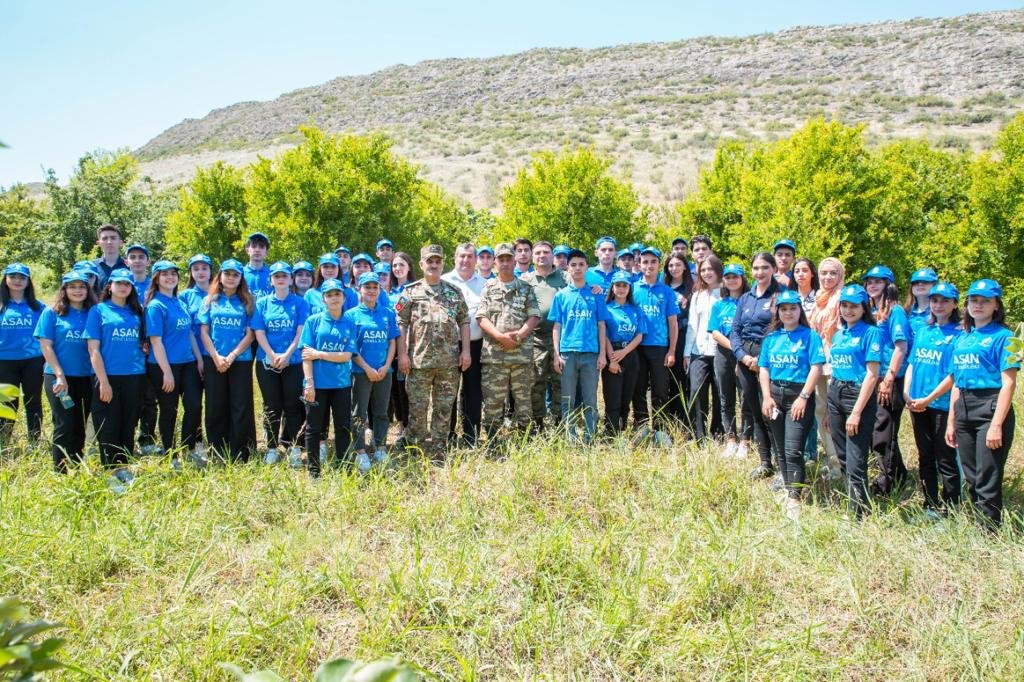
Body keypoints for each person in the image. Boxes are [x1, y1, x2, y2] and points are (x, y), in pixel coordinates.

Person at [946, 279, 1019, 529]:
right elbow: (957, 382)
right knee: (972, 475)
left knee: (988, 475)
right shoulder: (962, 338)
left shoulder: (1007, 337)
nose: (978, 305)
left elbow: (1009, 383)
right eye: (974, 300)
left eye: (985, 301)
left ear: (996, 305)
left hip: (990, 405)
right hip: (963, 406)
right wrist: (951, 421)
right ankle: (977, 524)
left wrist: (997, 424)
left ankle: (989, 532)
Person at [396, 245, 471, 455]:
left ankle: (439, 448)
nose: (434, 265)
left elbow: (464, 320)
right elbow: (400, 323)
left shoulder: (454, 292)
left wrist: (466, 351)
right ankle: (416, 448)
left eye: (438, 261)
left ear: (442, 264)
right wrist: (402, 354)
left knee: (444, 408)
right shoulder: (410, 292)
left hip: (448, 363)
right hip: (419, 361)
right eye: (430, 261)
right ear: (421, 265)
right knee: (418, 409)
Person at [758, 290, 826, 519]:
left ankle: (794, 499)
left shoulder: (810, 336)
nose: (788, 312)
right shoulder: (771, 338)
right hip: (775, 395)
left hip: (799, 396)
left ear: (800, 311)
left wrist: (804, 397)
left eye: (793, 308)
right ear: (778, 311)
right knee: (780, 449)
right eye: (784, 308)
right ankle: (789, 489)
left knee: (793, 448)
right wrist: (767, 397)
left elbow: (816, 368)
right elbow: (764, 368)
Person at [904, 281, 962, 517]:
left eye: (944, 301)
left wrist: (928, 398)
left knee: (945, 458)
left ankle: (951, 508)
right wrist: (907, 392)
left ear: (955, 304)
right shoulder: (924, 331)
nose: (938, 305)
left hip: (941, 404)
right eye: (935, 300)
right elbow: (911, 363)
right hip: (916, 404)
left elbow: (953, 375)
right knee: (924, 455)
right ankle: (929, 503)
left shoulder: (959, 334)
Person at [85, 268, 147, 486]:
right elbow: (93, 349)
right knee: (108, 423)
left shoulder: (137, 312)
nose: (123, 287)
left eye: (127, 284)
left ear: (131, 288)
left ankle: (124, 468)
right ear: (109, 286)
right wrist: (103, 381)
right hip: (107, 375)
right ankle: (110, 472)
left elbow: (145, 343)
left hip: (135, 375)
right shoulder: (98, 311)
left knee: (128, 422)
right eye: (118, 283)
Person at [476, 243, 541, 445]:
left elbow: (534, 316)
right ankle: (494, 442)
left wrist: (519, 336)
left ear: (515, 261)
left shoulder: (526, 288)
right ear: (495, 263)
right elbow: (481, 317)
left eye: (508, 259)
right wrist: (500, 337)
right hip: (494, 356)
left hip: (521, 356)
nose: (504, 263)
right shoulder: (487, 288)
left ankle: (525, 441)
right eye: (501, 259)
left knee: (523, 402)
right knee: (493, 402)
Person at [827, 284, 882, 517]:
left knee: (856, 455)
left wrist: (857, 412)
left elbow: (872, 374)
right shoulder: (840, 334)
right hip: (835, 392)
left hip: (856, 395)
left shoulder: (871, 332)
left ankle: (857, 511)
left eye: (854, 306)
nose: (848, 310)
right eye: (845, 305)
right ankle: (859, 503)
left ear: (864, 307)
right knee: (842, 454)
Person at [144, 260, 204, 467]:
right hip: (164, 366)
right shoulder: (155, 306)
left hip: (188, 363)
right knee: (169, 410)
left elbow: (190, 334)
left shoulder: (179, 302)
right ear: (156, 278)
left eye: (173, 274)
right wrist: (167, 372)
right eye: (164, 274)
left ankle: (188, 449)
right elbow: (155, 342)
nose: (170, 277)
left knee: (194, 405)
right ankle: (170, 453)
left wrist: (199, 359)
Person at [730, 252, 783, 479]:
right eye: (756, 268)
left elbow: (780, 329)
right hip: (745, 359)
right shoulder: (746, 298)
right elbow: (735, 331)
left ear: (773, 269)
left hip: (768, 358)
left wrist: (760, 360)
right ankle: (765, 461)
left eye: (764, 268)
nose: (759, 272)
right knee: (753, 409)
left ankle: (783, 467)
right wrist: (742, 356)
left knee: (771, 410)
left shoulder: (779, 296)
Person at [198, 259, 257, 462]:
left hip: (240, 360)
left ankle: (241, 451)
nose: (231, 278)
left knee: (241, 405)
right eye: (227, 274)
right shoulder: (210, 300)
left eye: (235, 275)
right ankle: (217, 450)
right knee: (215, 405)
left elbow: (250, 335)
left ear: (241, 279)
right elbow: (204, 332)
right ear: (220, 276)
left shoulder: (248, 302)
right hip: (214, 359)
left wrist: (232, 356)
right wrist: (216, 356)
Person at [35, 272, 94, 471]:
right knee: (64, 422)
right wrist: (60, 375)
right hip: (59, 377)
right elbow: (46, 346)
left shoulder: (93, 312)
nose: (77, 291)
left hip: (85, 376)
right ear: (64, 289)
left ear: (88, 290)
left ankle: (76, 465)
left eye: (81, 287)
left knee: (79, 423)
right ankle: (59, 469)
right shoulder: (51, 313)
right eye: (72, 287)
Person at [251, 261, 309, 466]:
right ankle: (272, 447)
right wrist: (273, 355)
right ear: (271, 280)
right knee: (271, 406)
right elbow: (259, 332)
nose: (281, 279)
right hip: (267, 362)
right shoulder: (262, 303)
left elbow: (300, 333)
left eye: (285, 275)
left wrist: (286, 355)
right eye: (277, 276)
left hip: (292, 362)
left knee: (292, 405)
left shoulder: (300, 303)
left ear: (291, 279)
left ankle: (293, 448)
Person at [549, 249, 608, 443]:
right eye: (573, 265)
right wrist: (557, 355)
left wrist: (602, 354)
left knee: (590, 400)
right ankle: (570, 438)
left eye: (581, 264)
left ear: (586, 267)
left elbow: (601, 325)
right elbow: (557, 327)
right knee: (568, 399)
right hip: (567, 354)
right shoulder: (561, 296)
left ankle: (590, 437)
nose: (577, 268)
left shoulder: (596, 294)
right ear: (568, 267)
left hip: (590, 354)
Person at [300, 279, 357, 477]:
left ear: (343, 297)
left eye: (337, 294)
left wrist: (320, 354)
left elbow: (347, 355)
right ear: (323, 298)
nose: (334, 298)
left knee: (342, 427)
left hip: (341, 383)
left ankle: (344, 467)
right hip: (317, 384)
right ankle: (314, 470)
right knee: (314, 428)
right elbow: (306, 356)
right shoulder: (313, 321)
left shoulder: (350, 322)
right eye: (329, 295)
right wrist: (309, 383)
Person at [862, 264, 910, 495]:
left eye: (878, 281)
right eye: (869, 281)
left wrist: (889, 379)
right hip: (871, 377)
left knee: (883, 433)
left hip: (889, 379)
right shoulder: (869, 310)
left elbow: (900, 347)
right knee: (872, 430)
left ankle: (888, 481)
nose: (872, 285)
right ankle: (899, 472)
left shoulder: (895, 311)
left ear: (888, 285)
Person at [347, 272, 400, 471]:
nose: (371, 291)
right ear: (360, 289)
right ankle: (360, 451)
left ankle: (380, 448)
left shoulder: (387, 313)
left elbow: (392, 341)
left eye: (374, 287)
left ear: (379, 290)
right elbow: (351, 348)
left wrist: (386, 366)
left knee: (381, 412)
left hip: (384, 371)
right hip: (361, 372)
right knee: (359, 413)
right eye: (367, 287)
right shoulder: (351, 315)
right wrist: (367, 368)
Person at [520, 242, 569, 430]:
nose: (542, 256)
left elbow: (582, 287)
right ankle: (537, 423)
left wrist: (596, 288)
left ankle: (559, 422)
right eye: (538, 253)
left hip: (561, 338)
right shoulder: (526, 280)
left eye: (546, 252)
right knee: (535, 382)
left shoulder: (565, 277)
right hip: (535, 339)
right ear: (533, 257)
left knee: (560, 382)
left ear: (553, 256)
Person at [632, 247, 680, 432]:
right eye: (645, 262)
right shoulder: (632, 288)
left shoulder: (667, 292)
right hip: (637, 346)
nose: (649, 265)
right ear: (639, 264)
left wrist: (672, 350)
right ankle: (641, 428)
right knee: (639, 389)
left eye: (653, 262)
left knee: (660, 390)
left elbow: (673, 323)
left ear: (659, 264)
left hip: (659, 347)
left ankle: (660, 430)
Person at [443, 243, 486, 447]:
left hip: (476, 345)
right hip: (448, 346)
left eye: (470, 256)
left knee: (473, 392)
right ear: (455, 258)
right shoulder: (443, 282)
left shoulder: (485, 283)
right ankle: (448, 435)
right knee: (448, 391)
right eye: (462, 256)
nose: (465, 260)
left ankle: (471, 436)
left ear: (475, 260)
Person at [0, 262, 45, 450]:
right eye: (13, 277)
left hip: (33, 361)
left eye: (22, 277)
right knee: (7, 403)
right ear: (6, 280)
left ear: (28, 282)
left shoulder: (38, 307)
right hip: (4, 362)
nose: (17, 281)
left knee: (33, 401)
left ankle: (34, 443)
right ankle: (3, 442)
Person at [710, 263, 752, 458]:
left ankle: (745, 441)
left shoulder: (750, 302)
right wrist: (734, 348)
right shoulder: (720, 304)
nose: (732, 280)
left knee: (746, 398)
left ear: (742, 279)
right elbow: (715, 332)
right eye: (728, 277)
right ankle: (731, 439)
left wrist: (741, 353)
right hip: (724, 354)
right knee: (725, 397)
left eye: (736, 276)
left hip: (746, 355)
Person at [808, 257, 845, 470]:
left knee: (836, 412)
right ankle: (832, 458)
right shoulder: (819, 299)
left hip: (837, 363)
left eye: (833, 273)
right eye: (824, 273)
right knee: (820, 410)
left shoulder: (842, 298)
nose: (828, 277)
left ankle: (842, 461)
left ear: (840, 276)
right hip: (819, 362)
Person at [602, 271, 646, 433]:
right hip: (612, 353)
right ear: (612, 288)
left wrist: (625, 351)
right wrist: (612, 359)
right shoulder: (606, 308)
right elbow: (604, 335)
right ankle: (610, 433)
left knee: (626, 396)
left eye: (624, 285)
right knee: (612, 397)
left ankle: (622, 429)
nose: (621, 289)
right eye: (618, 285)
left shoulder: (636, 310)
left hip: (631, 355)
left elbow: (639, 335)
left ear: (629, 288)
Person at [686, 255, 724, 441]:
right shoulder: (697, 295)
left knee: (720, 393)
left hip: (721, 351)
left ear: (718, 270)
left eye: (710, 269)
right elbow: (692, 326)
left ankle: (718, 432)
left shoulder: (727, 294)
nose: (707, 273)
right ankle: (698, 434)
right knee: (696, 391)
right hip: (698, 351)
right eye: (703, 270)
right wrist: (687, 352)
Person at [663, 253, 694, 427]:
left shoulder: (692, 288)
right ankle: (667, 419)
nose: (674, 268)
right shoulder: (663, 287)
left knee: (681, 379)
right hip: (663, 337)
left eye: (678, 265)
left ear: (685, 267)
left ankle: (682, 420)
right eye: (671, 265)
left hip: (683, 336)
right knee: (664, 380)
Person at [387, 251, 415, 432]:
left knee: (409, 388)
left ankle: (412, 425)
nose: (398, 268)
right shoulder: (387, 292)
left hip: (411, 345)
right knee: (395, 388)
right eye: (394, 265)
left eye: (401, 265)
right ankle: (401, 426)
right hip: (391, 346)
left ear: (409, 267)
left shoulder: (415, 289)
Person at [906, 267, 939, 341]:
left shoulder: (942, 313)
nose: (920, 284)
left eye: (925, 281)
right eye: (916, 282)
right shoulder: (905, 312)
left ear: (935, 285)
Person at [91, 223, 128, 287]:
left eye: (113, 238)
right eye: (105, 238)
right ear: (98, 243)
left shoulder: (129, 267)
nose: (109, 242)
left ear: (120, 242)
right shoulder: (91, 267)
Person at [243, 232, 273, 299]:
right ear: (247, 250)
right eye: (254, 246)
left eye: (261, 246)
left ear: (266, 252)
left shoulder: (273, 275)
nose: (257, 250)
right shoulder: (239, 274)